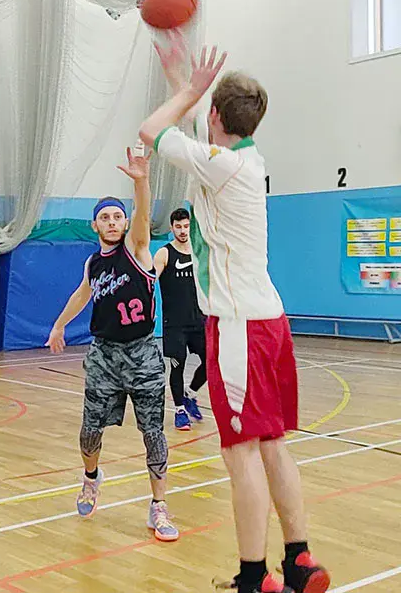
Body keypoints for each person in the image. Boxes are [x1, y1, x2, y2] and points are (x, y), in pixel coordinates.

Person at [140, 33, 330, 593]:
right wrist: (185, 84)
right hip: (267, 321)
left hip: (239, 327)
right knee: (271, 444)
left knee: (240, 453)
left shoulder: (220, 166)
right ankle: (298, 560)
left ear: (217, 113)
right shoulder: (244, 159)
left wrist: (183, 92)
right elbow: (198, 134)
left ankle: (254, 579)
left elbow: (152, 133)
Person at [46, 145, 179, 543]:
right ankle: (92, 477)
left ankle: (158, 507)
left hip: (142, 353)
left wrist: (141, 181)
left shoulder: (137, 247)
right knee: (89, 433)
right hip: (103, 355)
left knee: (153, 432)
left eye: (116, 216)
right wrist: (58, 327)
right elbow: (81, 295)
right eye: (104, 217)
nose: (111, 221)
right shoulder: (93, 263)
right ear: (95, 226)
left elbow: (142, 213)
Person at [154, 208, 207, 431]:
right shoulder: (164, 254)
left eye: (186, 226)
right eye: (178, 227)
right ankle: (179, 411)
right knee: (177, 366)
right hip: (174, 323)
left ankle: (190, 394)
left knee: (212, 362)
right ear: (172, 227)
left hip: (199, 320)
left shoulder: (199, 253)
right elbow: (149, 282)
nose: (183, 231)